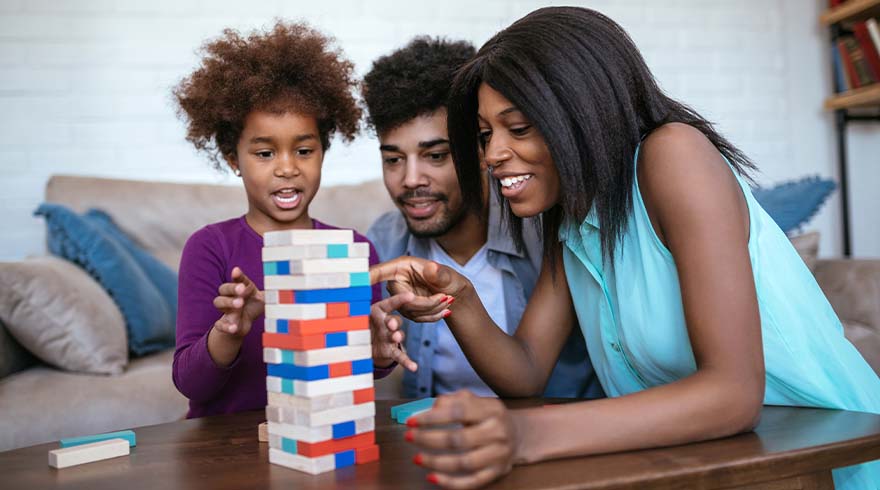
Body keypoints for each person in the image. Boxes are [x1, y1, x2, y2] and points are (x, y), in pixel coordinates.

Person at [370, 7, 880, 489]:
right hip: (714, 463)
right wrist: (457, 295)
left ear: (580, 112)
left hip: (828, 464)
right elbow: (524, 371)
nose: (493, 155)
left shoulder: (673, 156)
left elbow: (733, 394)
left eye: (518, 128)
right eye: (485, 135)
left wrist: (526, 436)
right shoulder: (568, 215)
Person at [362, 37, 602, 400]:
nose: (411, 179)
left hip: (550, 431)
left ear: (481, 150)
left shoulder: (547, 231)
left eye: (436, 156)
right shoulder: (383, 242)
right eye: (394, 159)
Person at [171, 22, 381, 418]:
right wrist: (229, 330)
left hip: (320, 439)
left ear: (323, 151)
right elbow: (191, 383)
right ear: (234, 159)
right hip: (227, 450)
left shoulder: (355, 250)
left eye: (303, 150)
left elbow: (362, 373)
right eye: (265, 154)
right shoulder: (210, 248)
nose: (287, 168)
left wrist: (379, 349)